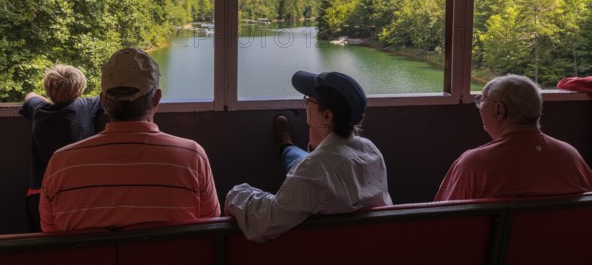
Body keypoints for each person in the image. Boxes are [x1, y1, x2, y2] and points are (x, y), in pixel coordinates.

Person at [39, 48, 220, 232]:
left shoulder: (60, 164)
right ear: (156, 99)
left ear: (103, 100)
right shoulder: (192, 157)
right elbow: (210, 224)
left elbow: (50, 232)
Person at [225, 70, 392, 242]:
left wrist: (235, 194)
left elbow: (266, 220)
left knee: (299, 162)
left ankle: (286, 146)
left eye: (308, 100)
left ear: (326, 116)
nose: (305, 105)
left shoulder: (312, 172)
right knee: (298, 159)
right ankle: (287, 146)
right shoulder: (371, 151)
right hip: (369, 245)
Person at [435, 74, 592, 201]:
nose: (479, 107)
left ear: (498, 110)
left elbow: (442, 221)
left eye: (482, 100)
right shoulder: (571, 156)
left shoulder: (472, 164)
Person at [20, 64, 102, 232]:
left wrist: (48, 101)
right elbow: (106, 97)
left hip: (39, 194)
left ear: (48, 89)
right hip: (77, 194)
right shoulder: (86, 106)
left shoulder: (38, 109)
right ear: (80, 89)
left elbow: (30, 95)